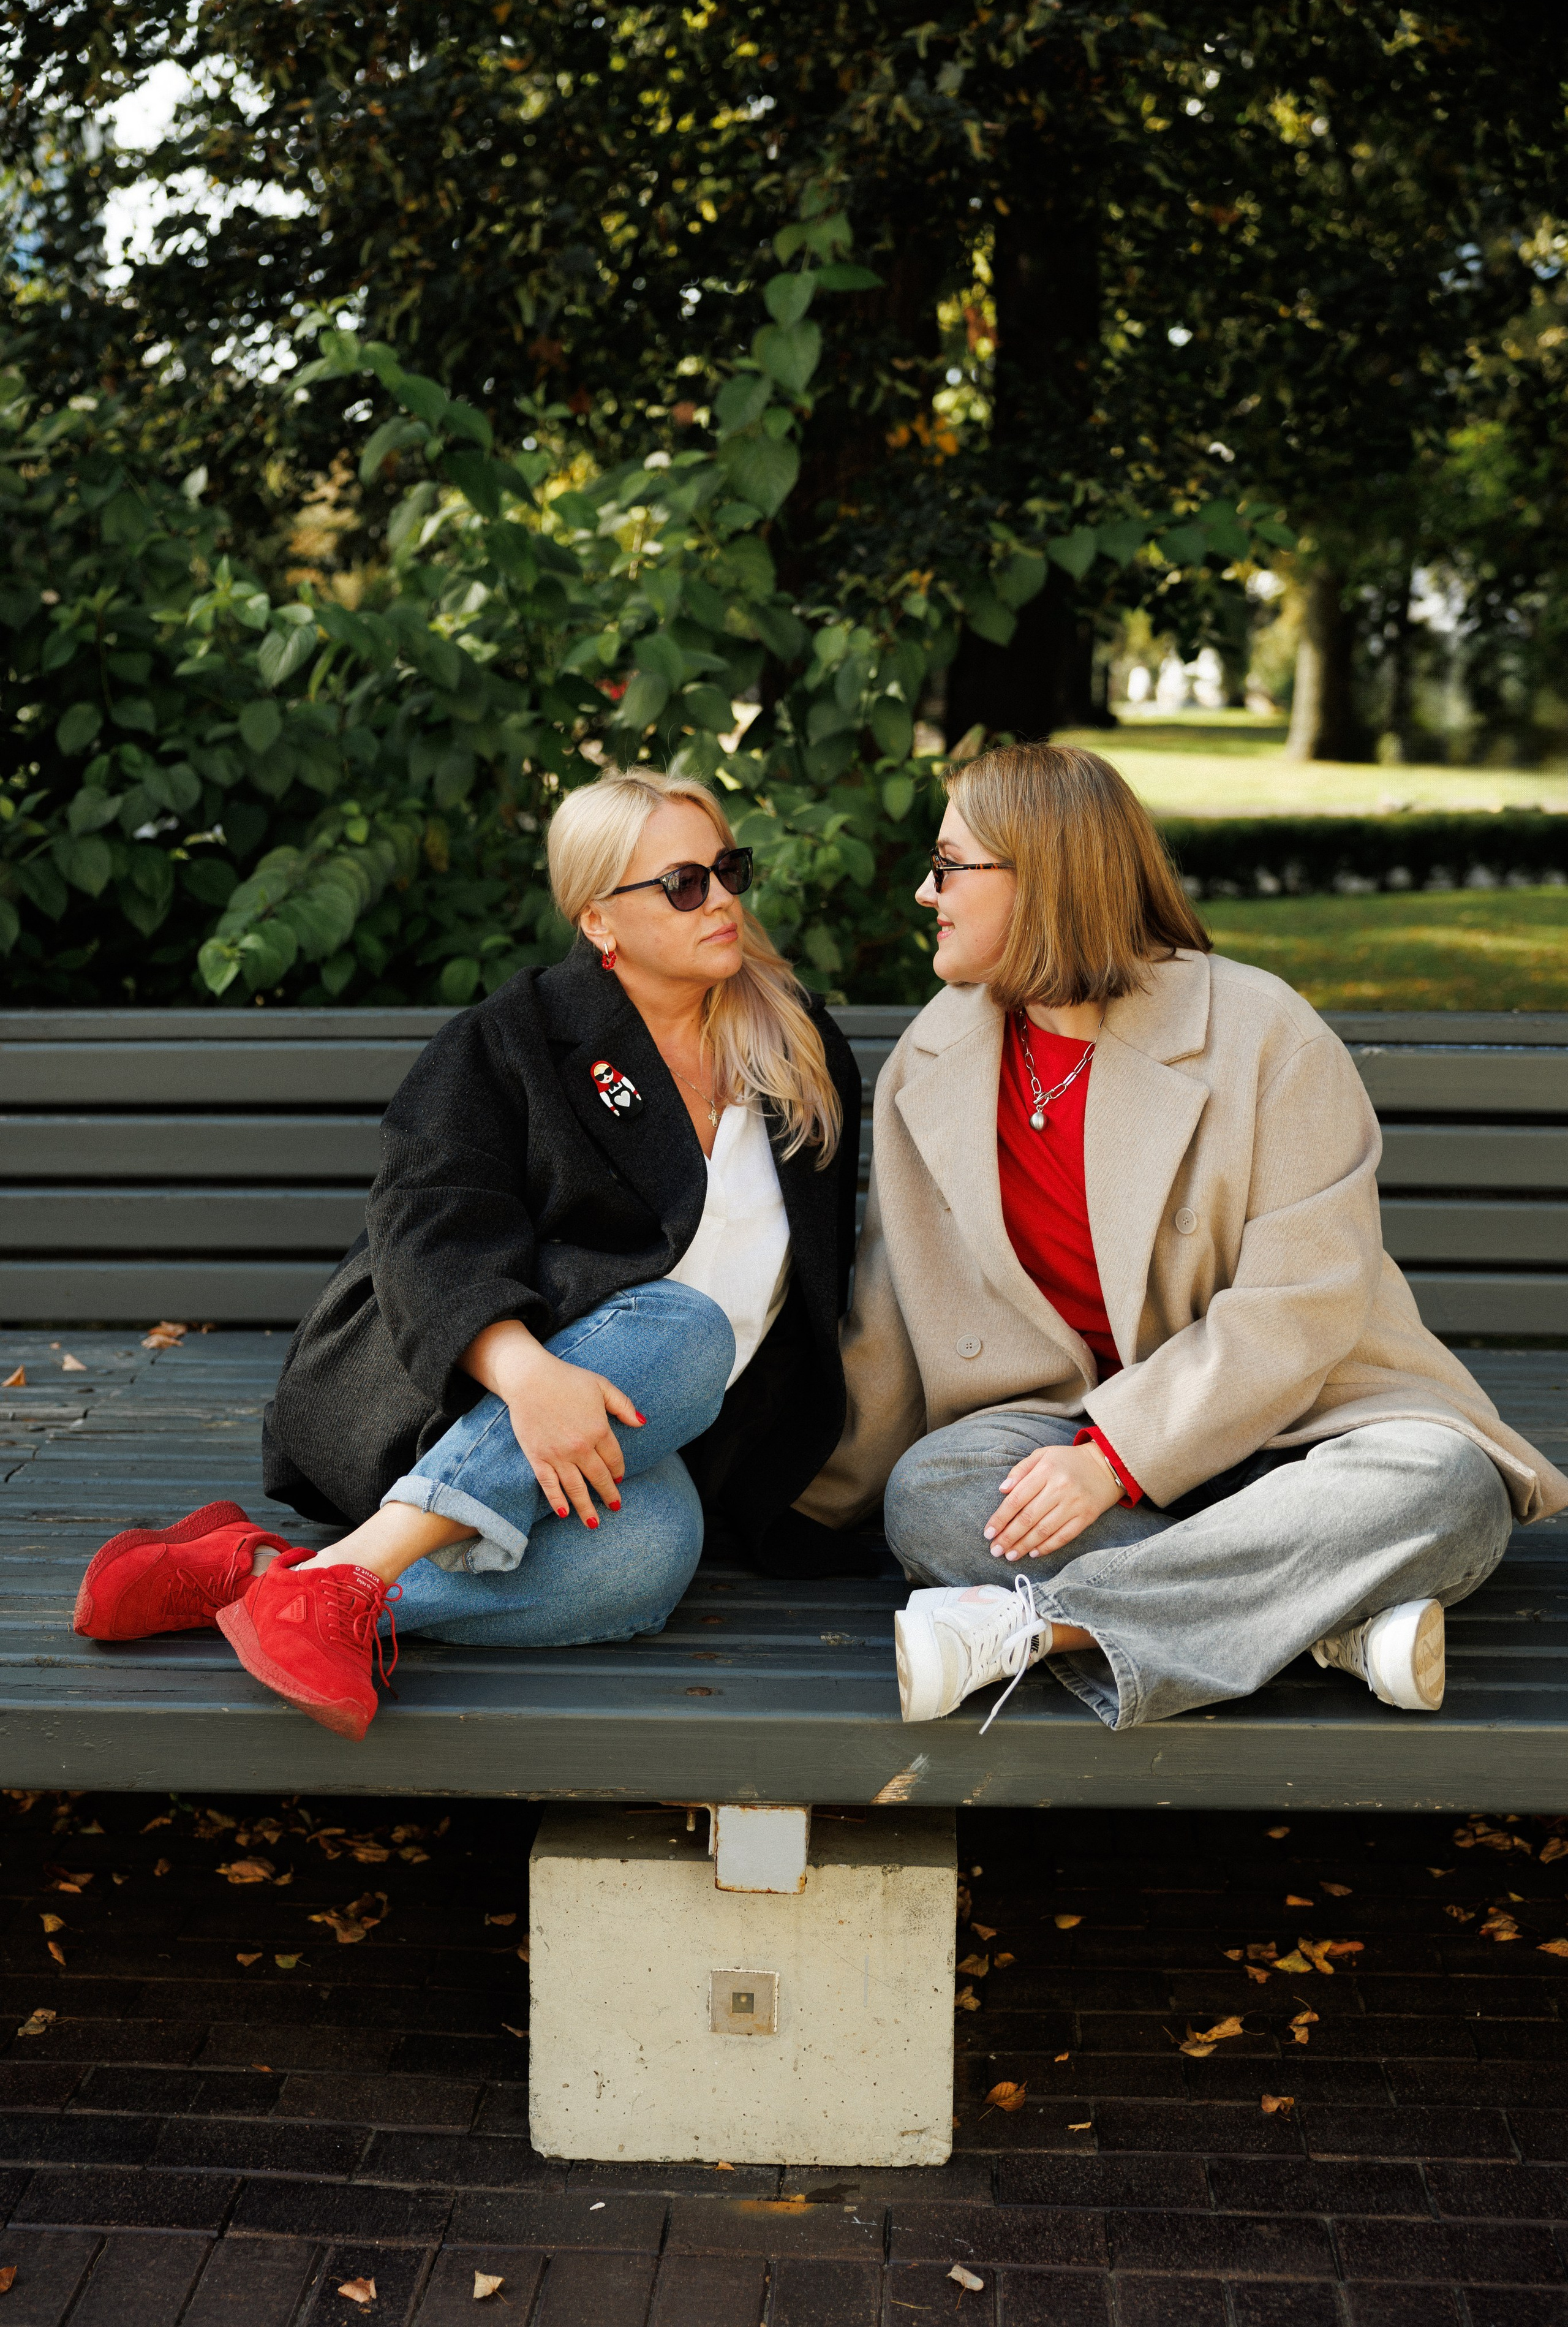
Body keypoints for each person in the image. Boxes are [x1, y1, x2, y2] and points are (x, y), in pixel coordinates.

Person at [74, 768, 862, 1739]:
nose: (725, 901)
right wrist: (528, 1375)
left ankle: (285, 1581)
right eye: (684, 884)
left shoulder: (797, 1051)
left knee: (652, 1556)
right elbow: (426, 1223)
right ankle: (361, 1567)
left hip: (636, 1433)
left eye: (729, 870)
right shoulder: (511, 1039)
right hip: (456, 1397)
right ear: (599, 921)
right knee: (686, 1327)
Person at [795, 740, 1566, 1731]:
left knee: (1447, 1488)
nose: (921, 891)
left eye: (948, 866)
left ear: (1044, 877)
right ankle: (1330, 1623)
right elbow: (892, 1308)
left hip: (1304, 1424)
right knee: (935, 1495)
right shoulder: (930, 1062)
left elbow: (1303, 1306)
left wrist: (1116, 1462)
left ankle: (1050, 1631)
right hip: (1066, 1421)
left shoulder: (1261, 1034)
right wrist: (803, 1508)